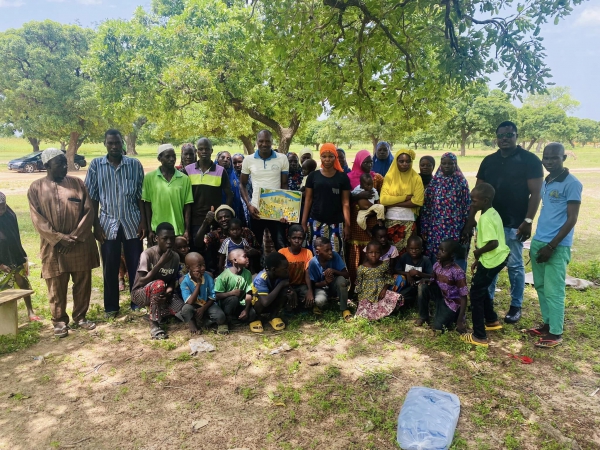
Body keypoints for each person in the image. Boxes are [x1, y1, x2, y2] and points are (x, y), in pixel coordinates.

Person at [463, 121, 543, 324]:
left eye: (509, 134)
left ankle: (516, 306)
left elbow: (536, 193)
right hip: (489, 223)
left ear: (516, 135)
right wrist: (471, 218)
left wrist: (528, 220)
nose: (505, 138)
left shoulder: (530, 160)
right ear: (496, 138)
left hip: (516, 222)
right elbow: (477, 192)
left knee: (515, 265)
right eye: (501, 135)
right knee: (489, 262)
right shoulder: (489, 161)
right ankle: (487, 301)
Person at [27, 149, 100, 338]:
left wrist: (74, 236)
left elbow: (89, 211)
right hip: (54, 246)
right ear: (47, 166)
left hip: (79, 243)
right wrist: (59, 238)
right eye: (59, 163)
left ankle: (80, 316)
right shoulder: (36, 188)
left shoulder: (77, 184)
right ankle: (59, 321)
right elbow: (37, 219)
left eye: (65, 162)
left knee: (82, 282)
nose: (64, 166)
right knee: (56, 285)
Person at [85, 129, 146, 317]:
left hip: (132, 222)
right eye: (110, 143)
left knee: (136, 265)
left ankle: (137, 302)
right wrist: (96, 224)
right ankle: (111, 307)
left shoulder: (134, 165)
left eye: (117, 143)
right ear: (104, 143)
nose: (114, 146)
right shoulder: (96, 165)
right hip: (107, 224)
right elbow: (92, 198)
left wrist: (143, 221)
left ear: (122, 144)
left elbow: (141, 197)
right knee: (110, 266)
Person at [528, 143, 582, 348]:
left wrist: (551, 246)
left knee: (554, 290)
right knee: (540, 286)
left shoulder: (572, 183)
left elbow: (572, 218)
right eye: (546, 158)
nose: (549, 162)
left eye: (554, 158)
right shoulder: (547, 181)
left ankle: (556, 333)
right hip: (539, 241)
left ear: (564, 158)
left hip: (556, 246)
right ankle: (547, 324)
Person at [461, 184, 510, 347]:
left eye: (474, 201)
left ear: (485, 200)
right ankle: (492, 320)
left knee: (475, 294)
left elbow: (493, 243)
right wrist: (479, 259)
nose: (471, 204)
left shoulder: (485, 218)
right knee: (482, 289)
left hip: (492, 260)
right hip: (497, 258)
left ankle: (479, 336)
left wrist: (477, 253)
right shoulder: (493, 212)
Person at [131, 222, 184, 340]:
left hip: (162, 293)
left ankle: (158, 312)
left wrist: (168, 293)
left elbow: (171, 280)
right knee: (159, 284)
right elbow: (141, 281)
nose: (169, 242)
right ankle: (154, 324)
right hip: (140, 294)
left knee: (182, 311)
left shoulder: (175, 256)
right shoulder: (147, 254)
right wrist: (160, 263)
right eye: (165, 238)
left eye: (172, 238)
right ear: (156, 238)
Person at [420, 152, 470, 270]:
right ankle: (436, 281)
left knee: (453, 254)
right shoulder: (435, 182)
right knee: (437, 255)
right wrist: (424, 227)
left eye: (450, 163)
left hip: (455, 227)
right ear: (440, 164)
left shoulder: (461, 182)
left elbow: (467, 206)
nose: (447, 166)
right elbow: (427, 207)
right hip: (436, 228)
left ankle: (455, 281)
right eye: (444, 163)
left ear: (455, 164)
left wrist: (467, 229)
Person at [240, 130, 289, 248]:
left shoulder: (282, 158)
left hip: (277, 210)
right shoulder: (248, 160)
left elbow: (284, 184)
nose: (264, 144)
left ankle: (280, 267)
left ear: (272, 142)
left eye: (267, 141)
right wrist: (249, 205)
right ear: (257, 142)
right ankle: (256, 267)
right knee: (256, 245)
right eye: (261, 141)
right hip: (256, 210)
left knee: (280, 245)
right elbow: (242, 184)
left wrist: (284, 210)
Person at [301, 143, 351, 258]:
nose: (327, 159)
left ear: (335, 157)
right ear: (320, 157)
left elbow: (345, 203)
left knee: (335, 254)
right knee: (316, 253)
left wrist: (347, 226)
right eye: (324, 156)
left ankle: (334, 276)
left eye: (331, 156)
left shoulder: (342, 177)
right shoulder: (313, 176)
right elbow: (308, 200)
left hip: (336, 223)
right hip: (316, 222)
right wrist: (303, 223)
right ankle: (316, 276)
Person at [186, 138, 233, 251]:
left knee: (213, 251)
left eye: (207, 149)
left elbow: (229, 194)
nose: (204, 152)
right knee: (197, 249)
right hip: (195, 219)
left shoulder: (220, 171)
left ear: (211, 151)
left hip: (214, 220)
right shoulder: (188, 170)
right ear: (197, 152)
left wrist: (223, 214)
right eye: (201, 149)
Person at [347, 150, 385, 285]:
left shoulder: (377, 178)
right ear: (358, 161)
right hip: (356, 218)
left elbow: (381, 197)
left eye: (370, 161)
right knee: (356, 250)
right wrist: (359, 196)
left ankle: (372, 283)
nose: (369, 164)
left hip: (373, 218)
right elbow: (346, 197)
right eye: (365, 162)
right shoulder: (349, 177)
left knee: (371, 249)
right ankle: (355, 284)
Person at [143, 144, 193, 245]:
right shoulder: (149, 178)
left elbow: (188, 206)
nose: (172, 159)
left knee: (177, 260)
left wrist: (187, 230)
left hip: (178, 231)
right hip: (157, 231)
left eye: (174, 156)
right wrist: (150, 230)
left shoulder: (184, 179)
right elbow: (147, 205)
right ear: (159, 158)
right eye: (167, 156)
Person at [0, 192, 39, 322]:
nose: (1, 210)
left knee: (22, 280)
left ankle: (30, 311)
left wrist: (21, 255)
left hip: (13, 253)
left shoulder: (9, 214)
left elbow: (14, 235)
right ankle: (5, 320)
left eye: (3, 206)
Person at [380, 149, 424, 255]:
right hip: (390, 221)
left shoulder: (416, 178)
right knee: (391, 253)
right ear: (396, 161)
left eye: (408, 161)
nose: (405, 164)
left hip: (409, 220)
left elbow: (418, 201)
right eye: (401, 161)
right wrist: (406, 197)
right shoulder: (390, 177)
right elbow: (383, 200)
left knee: (407, 252)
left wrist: (393, 203)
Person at [242, 252, 295, 333]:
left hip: (271, 300)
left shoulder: (282, 274)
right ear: (274, 269)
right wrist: (281, 285)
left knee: (285, 291)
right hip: (257, 305)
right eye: (285, 268)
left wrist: (292, 293)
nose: (287, 271)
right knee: (260, 299)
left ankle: (273, 316)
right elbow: (265, 302)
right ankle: (256, 318)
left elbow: (287, 287)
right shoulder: (261, 278)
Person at [422, 240, 468, 333]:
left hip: (451, 303)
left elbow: (464, 298)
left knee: (437, 328)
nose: (438, 253)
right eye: (439, 249)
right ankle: (423, 316)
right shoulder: (436, 265)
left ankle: (455, 316)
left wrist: (460, 321)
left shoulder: (457, 272)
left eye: (443, 251)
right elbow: (433, 281)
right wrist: (426, 281)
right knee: (422, 287)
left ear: (452, 255)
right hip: (441, 296)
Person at [198, 205, 260, 274]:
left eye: (227, 216)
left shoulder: (246, 232)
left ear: (233, 217)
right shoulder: (216, 235)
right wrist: (205, 222)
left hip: (246, 272)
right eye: (220, 218)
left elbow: (259, 251)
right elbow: (198, 243)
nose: (223, 219)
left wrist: (254, 252)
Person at [180, 252, 229, 335]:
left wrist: (203, 308)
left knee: (221, 317)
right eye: (199, 266)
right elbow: (190, 302)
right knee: (186, 309)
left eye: (204, 265)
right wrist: (198, 284)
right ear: (188, 267)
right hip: (193, 305)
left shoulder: (208, 277)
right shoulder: (184, 281)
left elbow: (212, 297)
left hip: (207, 304)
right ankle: (192, 323)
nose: (203, 268)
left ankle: (204, 321)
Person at [355, 241, 402, 320]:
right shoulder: (361, 269)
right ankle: (376, 313)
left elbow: (388, 279)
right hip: (367, 294)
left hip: (381, 292)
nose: (373, 255)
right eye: (371, 252)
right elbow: (359, 285)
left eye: (377, 253)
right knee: (365, 306)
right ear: (366, 254)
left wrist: (384, 289)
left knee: (395, 297)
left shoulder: (384, 265)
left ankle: (384, 312)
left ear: (381, 254)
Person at [307, 238, 351, 320]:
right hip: (320, 288)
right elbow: (313, 284)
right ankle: (318, 305)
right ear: (317, 252)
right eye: (327, 250)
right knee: (320, 301)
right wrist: (325, 282)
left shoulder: (335, 256)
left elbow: (346, 275)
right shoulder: (313, 263)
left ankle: (344, 309)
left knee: (341, 280)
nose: (330, 252)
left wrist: (334, 271)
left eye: (331, 249)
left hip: (333, 287)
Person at [214, 248, 253, 326]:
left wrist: (246, 309)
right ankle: (228, 318)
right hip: (227, 304)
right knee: (233, 299)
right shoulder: (224, 276)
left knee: (252, 314)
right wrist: (232, 293)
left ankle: (237, 317)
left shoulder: (247, 273)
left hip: (240, 304)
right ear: (235, 260)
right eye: (244, 257)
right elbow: (217, 295)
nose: (247, 259)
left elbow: (249, 293)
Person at [394, 235, 433, 311]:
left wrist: (419, 273)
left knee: (418, 292)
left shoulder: (425, 260)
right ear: (407, 249)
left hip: (420, 286)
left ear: (422, 249)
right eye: (411, 249)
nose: (414, 251)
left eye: (417, 249)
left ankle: (420, 304)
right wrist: (407, 274)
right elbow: (396, 270)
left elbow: (431, 275)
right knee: (401, 296)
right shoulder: (404, 257)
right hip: (407, 285)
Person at [279, 224, 313, 309]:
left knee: (309, 303)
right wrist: (289, 288)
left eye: (300, 238)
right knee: (289, 305)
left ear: (303, 239)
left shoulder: (307, 252)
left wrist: (310, 290)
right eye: (294, 238)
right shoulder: (282, 252)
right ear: (289, 238)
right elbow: (280, 275)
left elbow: (307, 272)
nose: (297, 241)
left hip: (301, 285)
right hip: (286, 285)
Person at [216, 150, 248, 228]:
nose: (225, 160)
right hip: (219, 210)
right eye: (222, 157)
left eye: (228, 158)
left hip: (234, 208)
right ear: (217, 160)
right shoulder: (214, 174)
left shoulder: (233, 175)